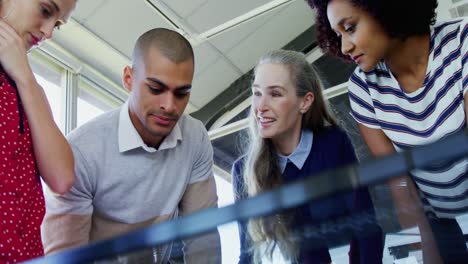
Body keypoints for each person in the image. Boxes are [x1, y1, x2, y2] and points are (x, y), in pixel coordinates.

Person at [41, 28, 221, 263]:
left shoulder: (195, 138)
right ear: (128, 79)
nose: (169, 105)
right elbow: (65, 256)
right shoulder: (82, 152)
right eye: (156, 89)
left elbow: (203, 239)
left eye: (181, 93)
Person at [307, 0, 468, 263]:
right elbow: (399, 182)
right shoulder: (363, 88)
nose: (345, 47)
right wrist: (425, 249)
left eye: (350, 28)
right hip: (436, 218)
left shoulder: (462, 42)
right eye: (338, 35)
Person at [232, 49, 383, 264]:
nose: (261, 107)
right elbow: (248, 254)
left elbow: (365, 224)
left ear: (304, 102)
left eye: (275, 94)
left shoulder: (333, 144)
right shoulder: (244, 171)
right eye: (257, 93)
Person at [0, 0, 76, 263]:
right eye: (45, 11)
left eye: (57, 24)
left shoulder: (28, 89)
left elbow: (62, 177)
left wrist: (23, 74)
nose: (48, 32)